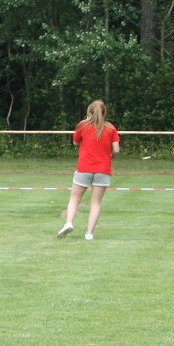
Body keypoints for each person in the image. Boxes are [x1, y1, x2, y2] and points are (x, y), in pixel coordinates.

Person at [58, 99, 121, 241]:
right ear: (104, 113)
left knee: (74, 198)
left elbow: (75, 142)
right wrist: (110, 155)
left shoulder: (83, 125)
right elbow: (116, 149)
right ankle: (89, 234)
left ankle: (69, 223)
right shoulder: (111, 128)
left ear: (89, 112)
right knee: (96, 203)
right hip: (103, 169)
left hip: (84, 168)